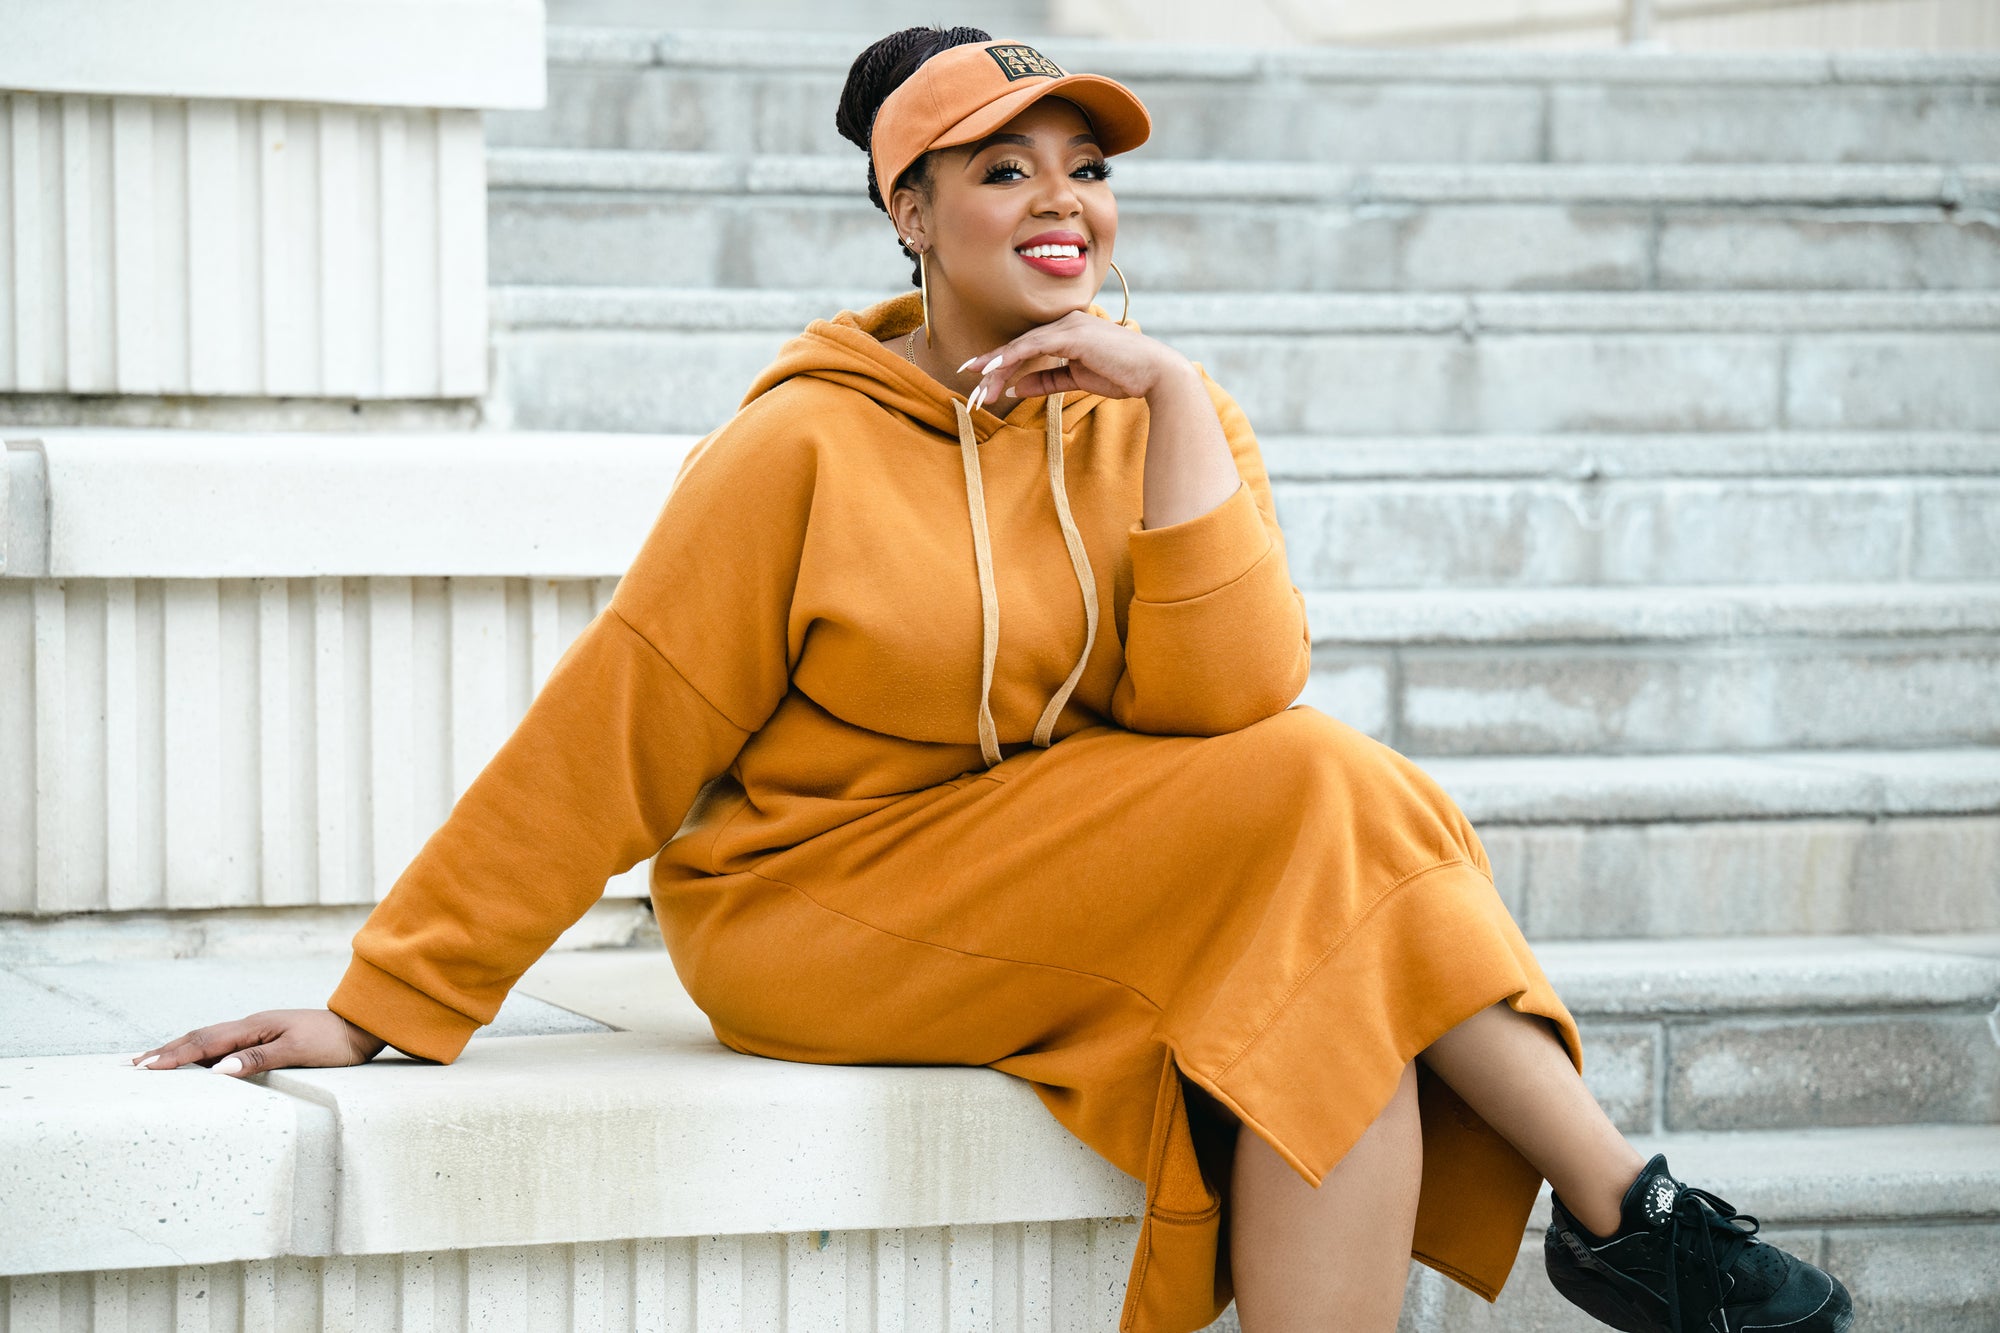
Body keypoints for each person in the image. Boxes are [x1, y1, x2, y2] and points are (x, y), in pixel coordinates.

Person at [131, 26, 1855, 1333]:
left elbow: (1225, 703)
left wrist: (1170, 404)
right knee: (1340, 795)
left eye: (1086, 169)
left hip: (1058, 855)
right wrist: (389, 997)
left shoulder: (1168, 416)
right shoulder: (798, 445)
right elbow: (618, 725)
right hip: (810, 902)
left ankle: (1625, 1212)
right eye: (1002, 169)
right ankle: (1623, 1203)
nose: (1062, 203)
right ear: (909, 210)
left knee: (1334, 940)